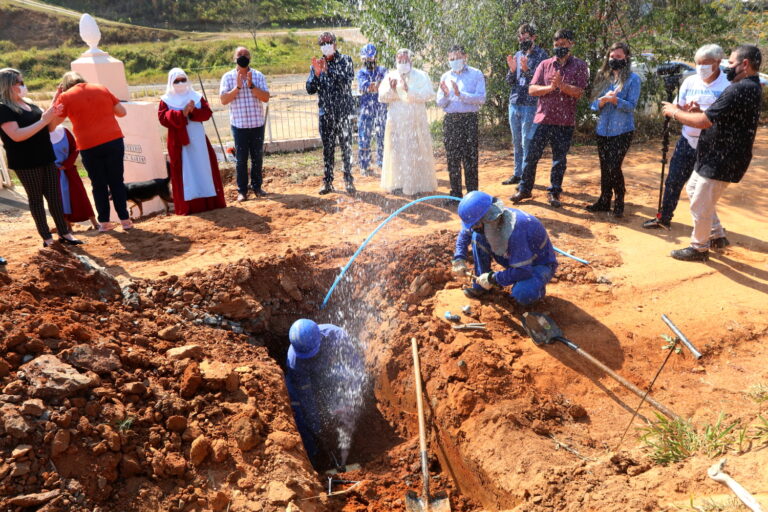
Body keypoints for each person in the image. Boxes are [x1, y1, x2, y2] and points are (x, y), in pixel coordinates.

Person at [661, 45, 762, 262]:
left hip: (723, 156)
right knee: (693, 188)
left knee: (700, 202)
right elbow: (716, 116)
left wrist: (675, 112)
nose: (729, 67)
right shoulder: (745, 86)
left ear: (745, 64)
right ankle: (716, 234)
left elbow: (705, 121)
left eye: (732, 63)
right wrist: (697, 112)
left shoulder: (740, 88)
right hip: (715, 153)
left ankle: (699, 247)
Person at [643, 44, 730, 230]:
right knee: (673, 180)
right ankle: (664, 217)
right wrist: (683, 111)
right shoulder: (690, 81)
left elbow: (725, 118)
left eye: (705, 64)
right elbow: (676, 108)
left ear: (717, 62)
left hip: (712, 145)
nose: (701, 68)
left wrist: (701, 113)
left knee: (703, 190)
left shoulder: (727, 85)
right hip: (687, 140)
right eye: (698, 63)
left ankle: (714, 231)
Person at [0, 68, 82, 247]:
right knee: (36, 199)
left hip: (46, 156)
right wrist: (44, 120)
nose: (23, 86)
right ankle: (47, 238)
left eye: (23, 81)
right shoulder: (4, 109)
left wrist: (53, 110)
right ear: (8, 86)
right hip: (25, 162)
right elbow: (17, 135)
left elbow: (49, 128)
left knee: (55, 197)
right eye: (19, 83)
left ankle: (65, 233)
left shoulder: (29, 103)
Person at [512, 29, 589, 208]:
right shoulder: (545, 64)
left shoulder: (580, 66)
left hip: (564, 122)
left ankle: (555, 192)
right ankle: (525, 189)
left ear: (571, 44)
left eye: (563, 44)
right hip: (542, 119)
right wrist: (550, 88)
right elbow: (532, 89)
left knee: (559, 159)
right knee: (531, 156)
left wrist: (561, 85)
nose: (559, 48)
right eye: (556, 45)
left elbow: (579, 92)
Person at [55, 71, 131, 232]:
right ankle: (125, 220)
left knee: (98, 184)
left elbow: (54, 123)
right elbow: (122, 112)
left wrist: (58, 98)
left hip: (88, 145)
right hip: (113, 140)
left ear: (65, 85)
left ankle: (104, 222)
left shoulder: (66, 96)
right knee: (117, 181)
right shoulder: (101, 88)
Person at [451, 190, 557, 305]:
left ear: (488, 218)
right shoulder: (492, 220)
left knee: (522, 294)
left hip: (537, 264)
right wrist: (459, 258)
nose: (473, 228)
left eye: (476, 225)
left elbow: (523, 271)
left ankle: (537, 292)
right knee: (478, 236)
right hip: (518, 257)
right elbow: (465, 233)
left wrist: (493, 278)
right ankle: (481, 285)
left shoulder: (516, 231)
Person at [285, 319, 366, 467]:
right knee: (298, 410)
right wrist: (317, 427)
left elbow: (355, 368)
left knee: (344, 375)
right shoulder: (294, 360)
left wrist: (345, 401)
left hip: (330, 373)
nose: (309, 356)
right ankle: (314, 458)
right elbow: (306, 396)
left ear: (320, 339)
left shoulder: (336, 336)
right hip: (309, 379)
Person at [159, 68, 227, 215]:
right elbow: (163, 118)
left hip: (198, 139)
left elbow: (207, 113)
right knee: (185, 170)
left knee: (203, 167)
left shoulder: (196, 96)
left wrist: (193, 111)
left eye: (183, 79)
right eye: (176, 81)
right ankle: (188, 206)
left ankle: (209, 202)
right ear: (171, 82)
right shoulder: (166, 100)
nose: (180, 83)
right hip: (179, 142)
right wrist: (181, 113)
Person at [586, 42, 641, 218]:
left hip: (622, 130)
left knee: (614, 166)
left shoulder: (633, 79)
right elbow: (593, 105)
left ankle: (619, 199)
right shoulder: (602, 77)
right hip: (603, 130)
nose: (614, 60)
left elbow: (632, 106)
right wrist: (602, 101)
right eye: (612, 56)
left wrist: (616, 101)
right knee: (604, 166)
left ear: (626, 58)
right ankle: (604, 200)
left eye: (618, 57)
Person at [378, 49, 437, 196]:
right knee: (396, 153)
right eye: (400, 61)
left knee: (415, 153)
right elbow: (382, 97)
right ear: (396, 61)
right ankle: (397, 184)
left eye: (405, 61)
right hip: (396, 123)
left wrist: (408, 90)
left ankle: (417, 185)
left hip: (415, 122)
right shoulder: (390, 75)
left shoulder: (421, 76)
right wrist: (392, 90)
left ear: (411, 61)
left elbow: (429, 94)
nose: (403, 64)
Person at [306, 32, 356, 195]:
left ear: (335, 43)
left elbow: (347, 80)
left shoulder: (345, 60)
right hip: (325, 113)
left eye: (328, 42)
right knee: (327, 149)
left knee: (346, 148)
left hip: (343, 112)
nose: (325, 45)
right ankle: (327, 182)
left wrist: (329, 72)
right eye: (322, 43)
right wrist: (318, 74)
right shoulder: (317, 64)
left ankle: (349, 181)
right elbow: (310, 89)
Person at [220, 47, 271, 202]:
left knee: (257, 158)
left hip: (257, 124)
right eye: (239, 55)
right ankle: (242, 191)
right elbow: (223, 100)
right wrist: (238, 87)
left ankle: (257, 187)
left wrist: (251, 85)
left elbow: (266, 97)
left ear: (250, 58)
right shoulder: (228, 77)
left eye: (246, 55)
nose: (243, 57)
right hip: (239, 126)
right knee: (241, 160)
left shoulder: (258, 75)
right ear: (234, 58)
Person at [436, 45, 487, 199]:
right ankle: (455, 194)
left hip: (468, 120)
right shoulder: (445, 76)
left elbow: (481, 98)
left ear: (465, 57)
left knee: (470, 158)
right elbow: (439, 102)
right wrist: (446, 95)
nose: (455, 61)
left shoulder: (476, 74)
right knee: (452, 158)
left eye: (457, 58)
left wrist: (460, 94)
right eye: (452, 59)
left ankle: (473, 196)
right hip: (451, 121)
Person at [502, 24, 548, 186]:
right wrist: (513, 70)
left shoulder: (542, 55)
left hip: (530, 104)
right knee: (516, 141)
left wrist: (527, 70)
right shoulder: (517, 54)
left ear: (534, 38)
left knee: (526, 142)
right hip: (514, 102)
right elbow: (509, 81)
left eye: (526, 38)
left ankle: (526, 178)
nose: (523, 41)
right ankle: (517, 174)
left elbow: (540, 82)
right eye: (520, 38)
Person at [48, 121, 99, 231]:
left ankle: (95, 222)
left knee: (80, 194)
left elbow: (75, 148)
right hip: (53, 173)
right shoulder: (38, 134)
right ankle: (67, 226)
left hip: (69, 170)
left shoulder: (63, 130)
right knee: (59, 199)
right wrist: (52, 167)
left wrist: (67, 164)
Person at [356, 43, 388, 176]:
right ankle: (364, 165)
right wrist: (377, 86)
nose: (369, 61)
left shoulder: (383, 70)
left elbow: (385, 86)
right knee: (364, 135)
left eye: (371, 58)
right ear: (362, 59)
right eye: (366, 59)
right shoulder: (361, 73)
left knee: (383, 136)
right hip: (366, 108)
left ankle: (383, 164)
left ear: (376, 58)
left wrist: (375, 86)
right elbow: (368, 87)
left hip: (381, 107)